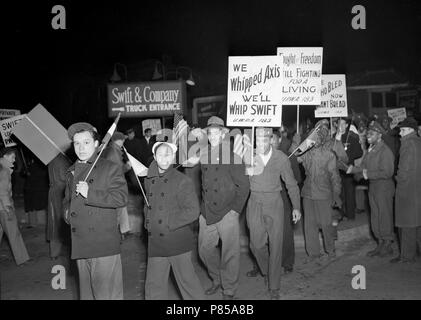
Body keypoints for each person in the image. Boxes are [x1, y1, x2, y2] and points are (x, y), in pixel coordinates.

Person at [63, 122, 128, 300]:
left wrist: (89, 193)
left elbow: (121, 198)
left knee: (106, 295)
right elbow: (67, 200)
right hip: (81, 243)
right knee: (87, 295)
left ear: (97, 144)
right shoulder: (71, 171)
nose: (81, 148)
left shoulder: (110, 167)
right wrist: (67, 213)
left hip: (103, 244)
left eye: (86, 142)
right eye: (77, 143)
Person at [194, 116, 250, 300]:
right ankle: (216, 278)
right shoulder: (203, 155)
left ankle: (229, 288)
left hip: (227, 211)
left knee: (230, 253)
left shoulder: (232, 156)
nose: (212, 135)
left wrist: (235, 210)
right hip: (207, 212)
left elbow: (244, 185)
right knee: (204, 250)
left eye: (216, 132)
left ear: (223, 134)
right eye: (209, 132)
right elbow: (202, 184)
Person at [244, 128, 301, 300]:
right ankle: (268, 270)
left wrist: (296, 207)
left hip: (274, 203)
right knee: (256, 244)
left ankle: (274, 285)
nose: (260, 143)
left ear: (271, 140)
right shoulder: (249, 157)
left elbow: (291, 184)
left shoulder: (281, 159)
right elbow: (241, 182)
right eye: (257, 140)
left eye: (264, 140)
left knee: (276, 245)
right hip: (254, 202)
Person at [144, 141, 204, 300]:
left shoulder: (182, 180)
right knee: (153, 287)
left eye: (168, 154)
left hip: (177, 241)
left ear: (173, 157)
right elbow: (148, 205)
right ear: (155, 157)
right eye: (160, 154)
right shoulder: (149, 180)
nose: (164, 158)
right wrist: (148, 222)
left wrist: (168, 222)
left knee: (188, 284)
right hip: (156, 242)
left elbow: (193, 211)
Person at [348, 121, 395, 257]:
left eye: (371, 133)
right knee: (375, 216)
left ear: (379, 135)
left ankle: (387, 244)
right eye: (368, 133)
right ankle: (380, 242)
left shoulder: (385, 151)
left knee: (384, 215)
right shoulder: (371, 150)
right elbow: (363, 166)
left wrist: (366, 174)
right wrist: (352, 170)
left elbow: (387, 172)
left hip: (384, 187)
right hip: (374, 187)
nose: (368, 135)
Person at [297, 124, 342, 261]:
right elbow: (294, 156)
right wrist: (299, 142)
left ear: (322, 139)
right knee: (309, 225)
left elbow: (335, 177)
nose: (314, 139)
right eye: (312, 136)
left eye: (316, 136)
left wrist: (336, 195)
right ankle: (313, 253)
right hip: (308, 194)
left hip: (323, 193)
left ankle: (330, 250)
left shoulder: (329, 155)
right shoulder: (306, 153)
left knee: (326, 223)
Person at [391, 118, 421, 263]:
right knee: (416, 222)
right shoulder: (417, 142)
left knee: (406, 223)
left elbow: (404, 169)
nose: (400, 134)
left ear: (410, 131)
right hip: (416, 189)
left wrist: (397, 178)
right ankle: (414, 252)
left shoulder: (408, 145)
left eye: (402, 130)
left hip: (407, 190)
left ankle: (407, 256)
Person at [0, 148, 30, 265]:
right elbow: (2, 191)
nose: (14, 160)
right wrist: (8, 207)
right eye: (12, 157)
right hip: (4, 208)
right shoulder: (4, 171)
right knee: (14, 234)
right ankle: (22, 259)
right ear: (5, 156)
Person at [103, 131, 131, 236]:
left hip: (114, 185)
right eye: (122, 139)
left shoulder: (114, 150)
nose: (124, 141)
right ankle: (114, 235)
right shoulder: (113, 152)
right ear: (117, 140)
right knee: (117, 211)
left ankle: (124, 230)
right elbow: (116, 171)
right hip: (114, 186)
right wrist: (127, 166)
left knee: (121, 207)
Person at [336, 117, 363, 221]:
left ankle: (350, 215)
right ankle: (340, 214)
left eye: (343, 124)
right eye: (339, 124)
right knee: (339, 193)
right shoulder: (334, 137)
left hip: (348, 169)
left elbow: (359, 153)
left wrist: (348, 157)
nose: (340, 126)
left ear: (347, 125)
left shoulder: (351, 137)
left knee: (349, 193)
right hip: (337, 171)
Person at [47, 153, 72, 259]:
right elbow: (63, 177)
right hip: (61, 192)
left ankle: (54, 252)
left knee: (54, 222)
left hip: (53, 191)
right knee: (64, 219)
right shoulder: (61, 159)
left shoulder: (51, 158)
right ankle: (69, 251)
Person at [24, 156, 49, 227]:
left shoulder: (43, 165)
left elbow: (43, 175)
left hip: (40, 188)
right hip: (31, 188)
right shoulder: (29, 164)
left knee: (43, 205)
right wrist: (25, 172)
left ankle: (48, 223)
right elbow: (23, 173)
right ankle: (33, 223)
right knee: (31, 207)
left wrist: (31, 174)